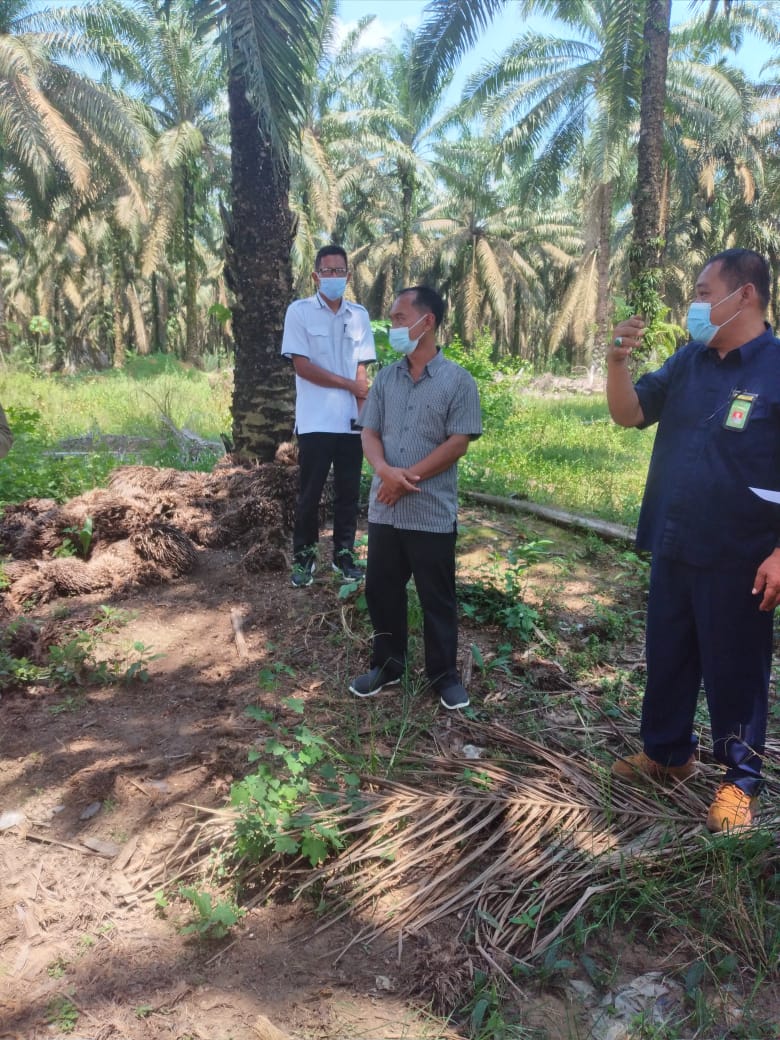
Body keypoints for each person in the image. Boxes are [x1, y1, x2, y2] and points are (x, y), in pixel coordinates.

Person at [607, 248, 780, 832]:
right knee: (669, 654)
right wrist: (616, 362)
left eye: (705, 292)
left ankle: (738, 782)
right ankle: (666, 754)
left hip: (743, 553)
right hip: (676, 539)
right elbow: (628, 414)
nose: (695, 304)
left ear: (745, 296)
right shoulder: (688, 362)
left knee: (736, 668)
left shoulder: (777, 369)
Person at [349, 286, 482, 710]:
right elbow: (369, 432)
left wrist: (410, 476)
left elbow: (458, 442)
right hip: (385, 507)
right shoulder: (386, 378)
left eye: (400, 318)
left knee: (436, 596)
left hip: (430, 512)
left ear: (428, 322)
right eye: (392, 318)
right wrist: (385, 473)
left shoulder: (459, 381)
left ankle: (444, 676)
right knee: (381, 590)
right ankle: (388, 666)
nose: (393, 326)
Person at [281, 245, 376, 587]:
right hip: (316, 421)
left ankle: (344, 557)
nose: (333, 277)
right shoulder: (300, 312)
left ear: (348, 276)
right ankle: (304, 561)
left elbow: (362, 367)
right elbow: (302, 366)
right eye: (327, 271)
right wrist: (349, 385)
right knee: (310, 494)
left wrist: (365, 417)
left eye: (339, 271)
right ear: (315, 275)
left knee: (348, 495)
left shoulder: (359, 315)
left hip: (351, 424)